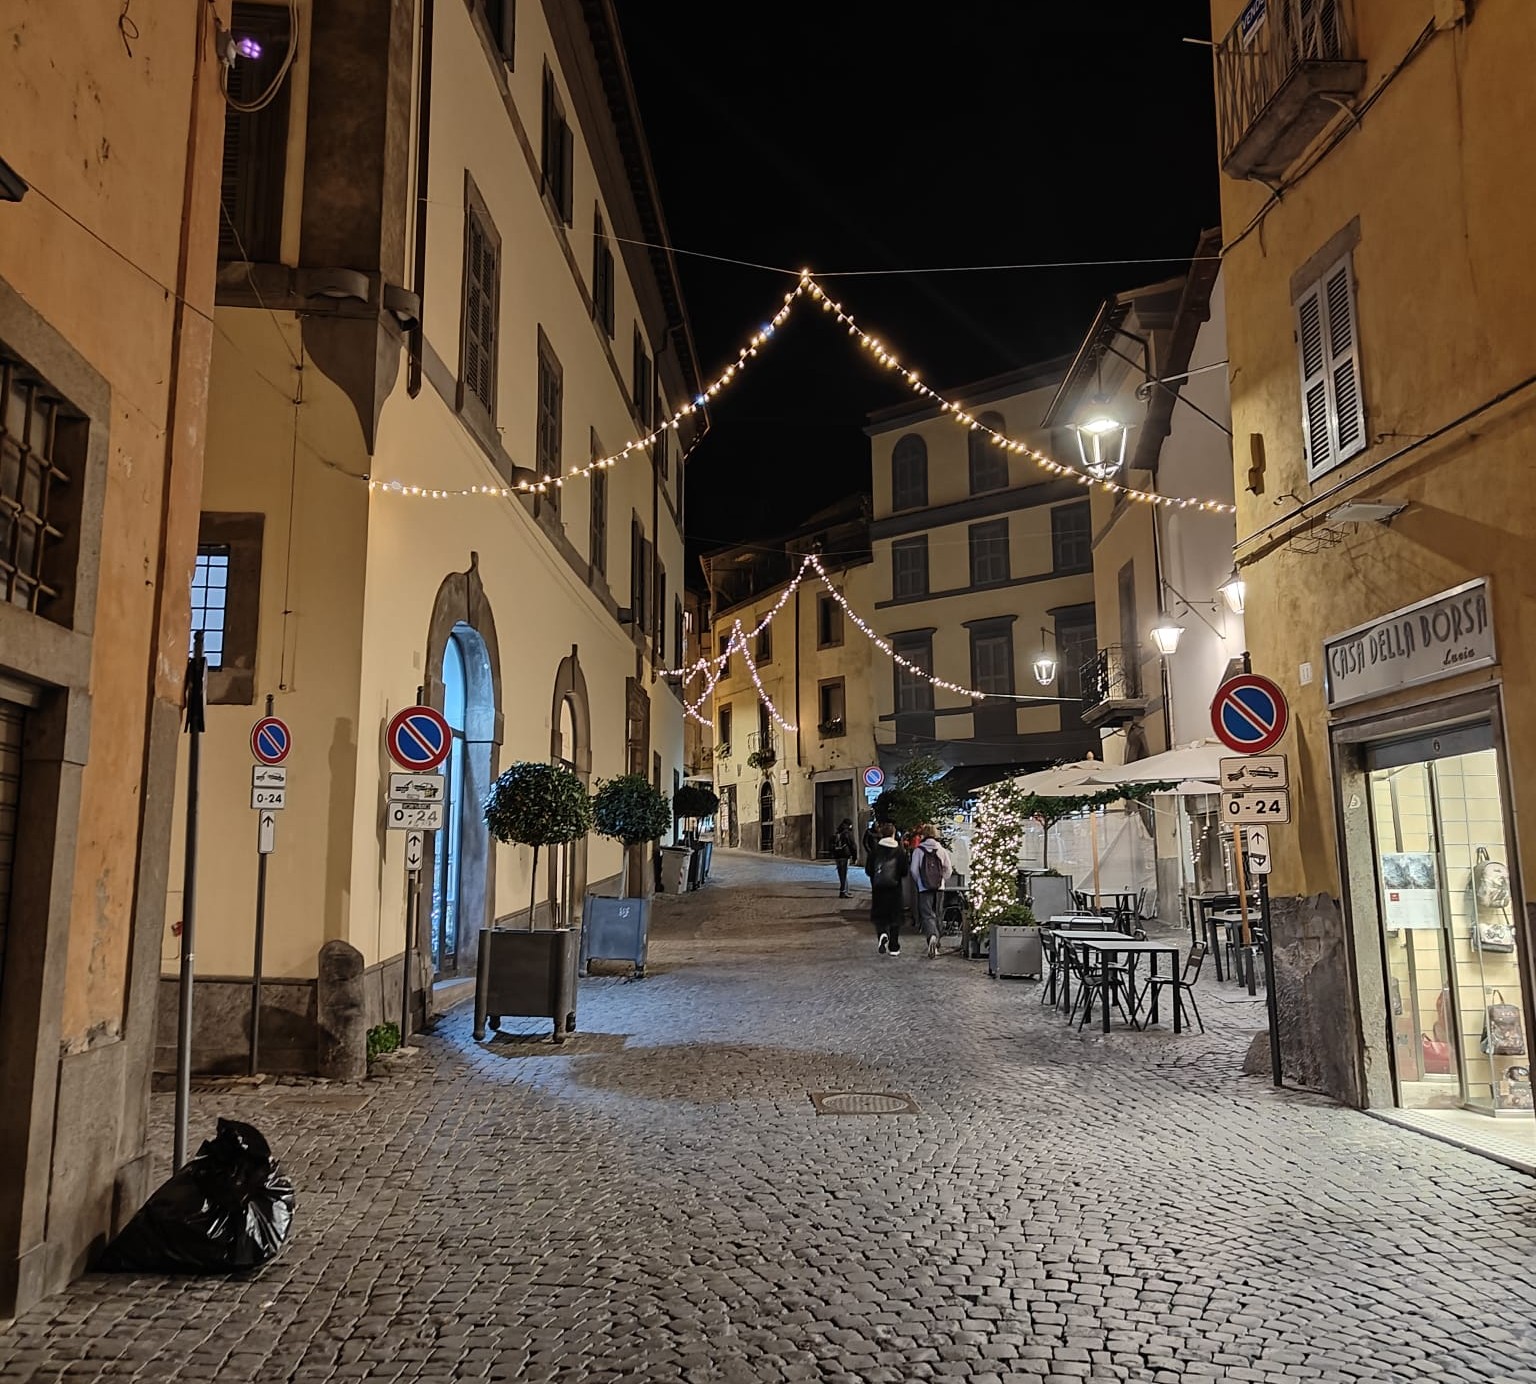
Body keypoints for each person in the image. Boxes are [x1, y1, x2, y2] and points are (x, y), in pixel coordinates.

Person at [909, 823, 954, 960]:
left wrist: (920, 882)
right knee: (938, 913)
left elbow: (913, 870)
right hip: (939, 887)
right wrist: (941, 880)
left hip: (924, 888)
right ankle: (937, 944)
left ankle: (931, 937)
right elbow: (948, 869)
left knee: (927, 914)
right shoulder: (941, 850)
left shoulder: (918, 850)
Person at [866, 821, 906, 955]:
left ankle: (882, 934)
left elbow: (868, 870)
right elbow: (904, 871)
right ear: (894, 834)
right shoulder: (900, 851)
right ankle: (894, 947)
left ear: (881, 834)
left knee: (880, 916)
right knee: (895, 918)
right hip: (895, 889)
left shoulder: (875, 851)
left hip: (878, 889)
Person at [831, 818, 858, 898]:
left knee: (841, 874)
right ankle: (843, 891)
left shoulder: (838, 832)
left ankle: (845, 890)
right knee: (844, 874)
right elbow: (853, 846)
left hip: (837, 856)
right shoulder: (847, 833)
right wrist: (854, 857)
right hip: (845, 855)